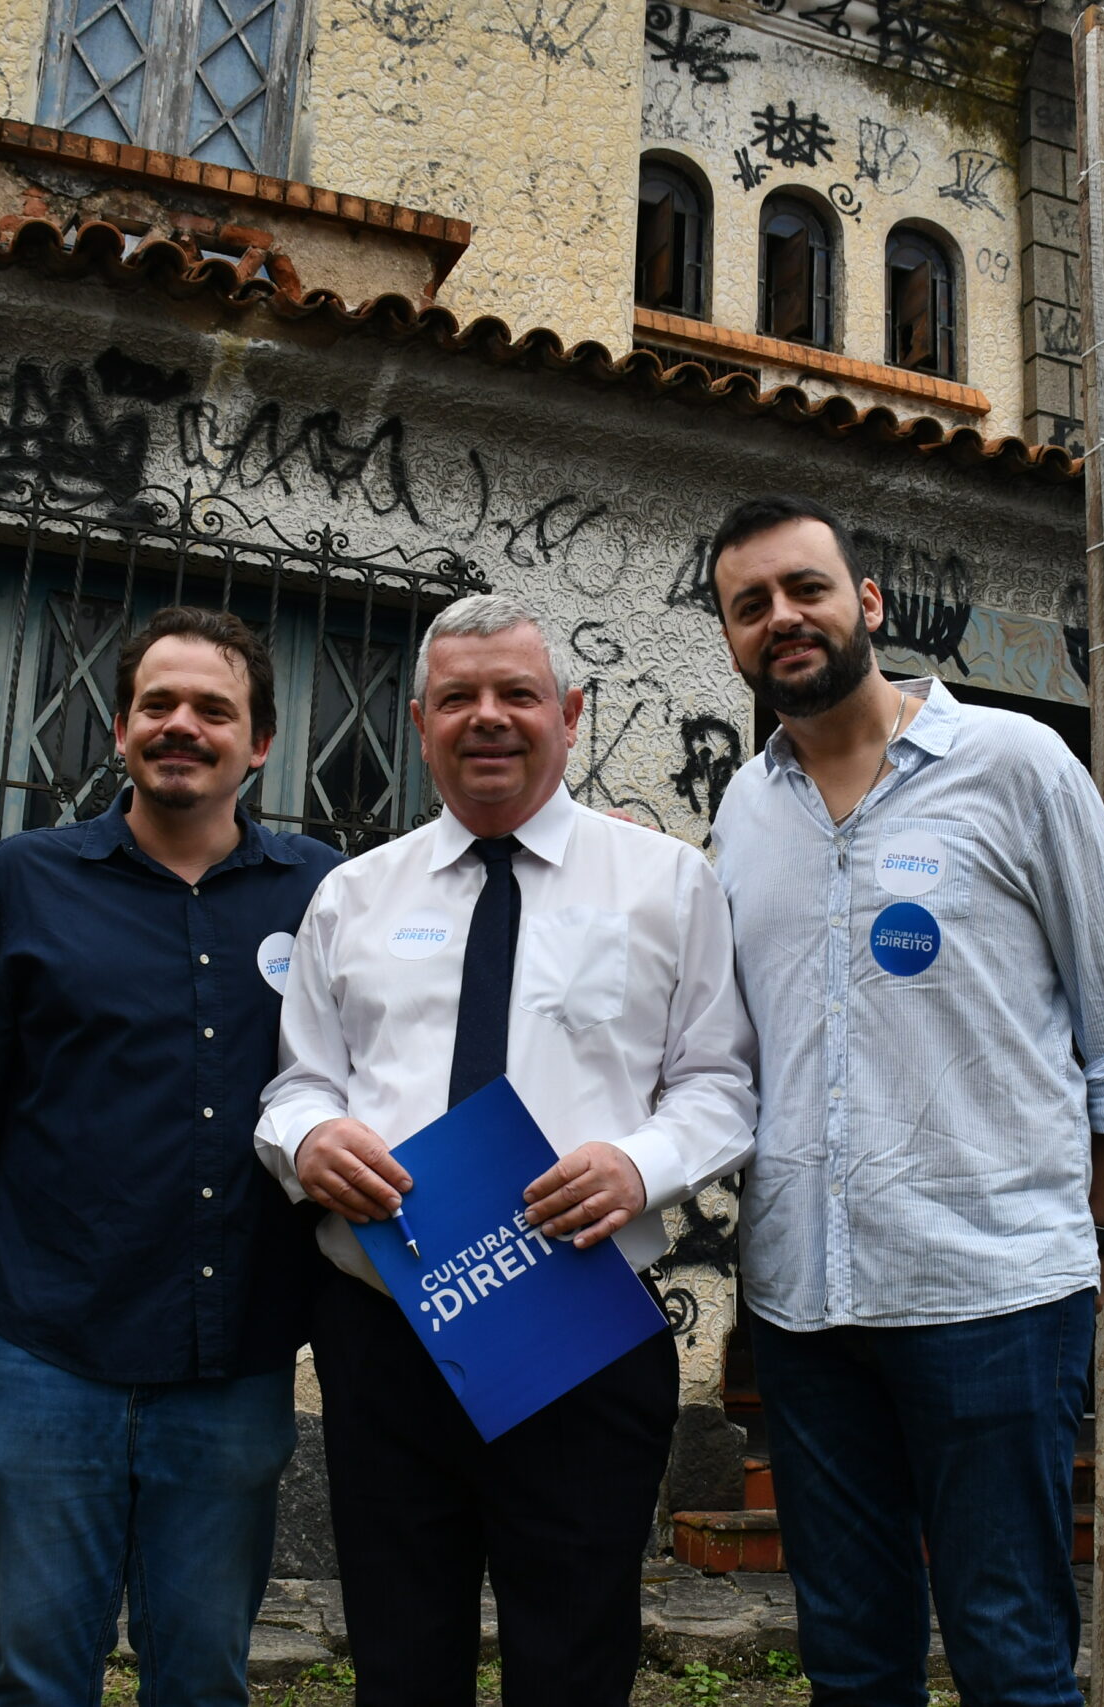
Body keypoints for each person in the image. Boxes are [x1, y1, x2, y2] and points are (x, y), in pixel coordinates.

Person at [704, 494, 1104, 1704]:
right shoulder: (741, 813)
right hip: (805, 1308)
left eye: (805, 588)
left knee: (1012, 1653)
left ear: (866, 603)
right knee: (849, 1655)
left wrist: (1096, 1231)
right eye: (749, 604)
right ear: (729, 639)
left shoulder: (1014, 764)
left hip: (991, 1296)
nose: (783, 618)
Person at [255, 593, 756, 1707]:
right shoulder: (351, 896)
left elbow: (721, 1087)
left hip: (579, 1321)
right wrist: (309, 1141)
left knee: (574, 1653)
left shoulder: (667, 884)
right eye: (460, 698)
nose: (489, 717)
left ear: (569, 715)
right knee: (398, 1650)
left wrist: (640, 1164)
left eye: (516, 694)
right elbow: (297, 1082)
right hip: (389, 1329)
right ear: (420, 719)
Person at [0, 607, 341, 1707]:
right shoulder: (24, 878)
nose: (181, 726)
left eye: (213, 709)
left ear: (262, 742)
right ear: (118, 728)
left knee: (202, 1677)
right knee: (41, 1677)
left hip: (232, 1357)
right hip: (48, 1350)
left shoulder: (327, 894)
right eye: (158, 704)